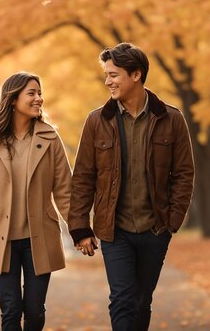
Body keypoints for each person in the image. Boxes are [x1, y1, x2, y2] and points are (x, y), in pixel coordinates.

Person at [68, 42, 195, 330]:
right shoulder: (96, 121)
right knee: (122, 299)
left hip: (155, 228)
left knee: (141, 300)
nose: (107, 81)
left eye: (114, 75)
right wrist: (80, 227)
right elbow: (83, 177)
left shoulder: (172, 119)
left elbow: (184, 174)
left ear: (136, 75)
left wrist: (172, 221)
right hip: (115, 230)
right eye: (106, 75)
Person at [0, 72, 71, 331]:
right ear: (13, 100)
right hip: (1, 242)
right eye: (32, 93)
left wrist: (80, 230)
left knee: (34, 311)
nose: (39, 99)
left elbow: (65, 191)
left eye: (39, 93)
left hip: (40, 238)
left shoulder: (50, 139)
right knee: (10, 310)